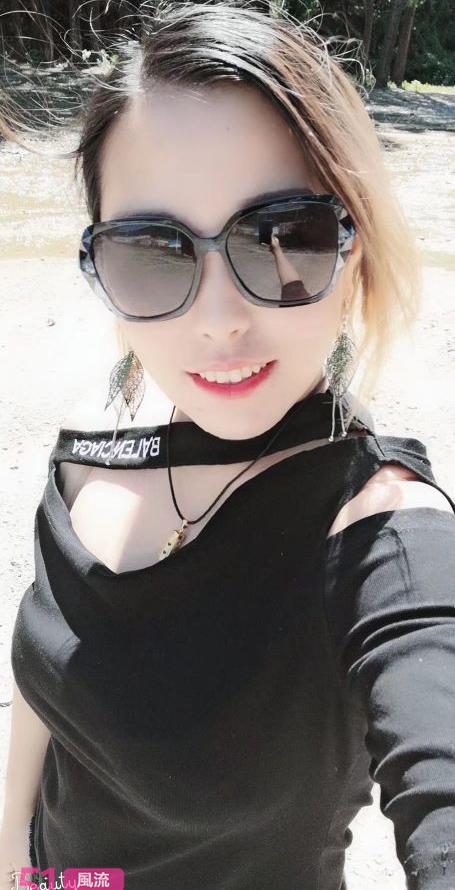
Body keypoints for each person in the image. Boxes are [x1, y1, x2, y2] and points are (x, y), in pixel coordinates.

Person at [1, 2, 454, 889]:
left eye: (284, 237)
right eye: (152, 252)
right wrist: (14, 852)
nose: (217, 321)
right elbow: (45, 679)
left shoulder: (379, 535)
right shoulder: (94, 446)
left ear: (356, 249)